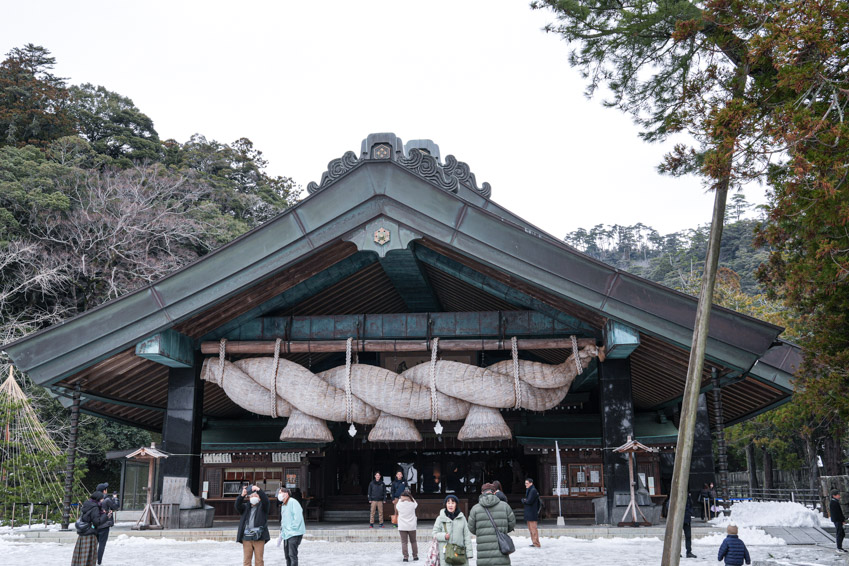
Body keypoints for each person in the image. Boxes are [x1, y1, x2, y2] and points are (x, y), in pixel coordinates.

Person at [468, 483, 515, 566]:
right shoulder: (505, 506)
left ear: (482, 492)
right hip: (501, 552)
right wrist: (502, 530)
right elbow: (511, 524)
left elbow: (471, 527)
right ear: (494, 492)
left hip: (483, 554)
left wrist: (481, 532)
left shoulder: (475, 509)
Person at [433, 494, 472, 566]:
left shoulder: (462, 518)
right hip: (445, 554)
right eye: (448, 503)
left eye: (453, 503)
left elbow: (467, 536)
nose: (450, 505)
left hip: (459, 553)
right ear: (445, 504)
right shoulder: (440, 518)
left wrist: (469, 553)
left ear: (456, 504)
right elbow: (434, 534)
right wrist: (444, 536)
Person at [236, 484, 270, 566]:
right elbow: (237, 505)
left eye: (256, 496)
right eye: (251, 496)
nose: (253, 497)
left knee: (259, 561)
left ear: (259, 498)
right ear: (249, 498)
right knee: (246, 561)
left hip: (259, 537)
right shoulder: (245, 507)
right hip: (246, 537)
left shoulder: (263, 507)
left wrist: (259, 490)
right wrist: (242, 495)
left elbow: (266, 501)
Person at [71, 491, 108, 566]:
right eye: (102, 499)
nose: (103, 500)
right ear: (98, 499)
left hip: (82, 534)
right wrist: (106, 516)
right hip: (90, 534)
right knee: (89, 555)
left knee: (80, 554)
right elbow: (97, 522)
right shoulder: (95, 508)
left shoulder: (86, 505)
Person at [277, 487, 305, 566]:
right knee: (287, 555)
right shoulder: (283, 504)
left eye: (280, 492)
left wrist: (292, 528)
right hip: (286, 533)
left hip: (294, 532)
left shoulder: (293, 502)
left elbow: (298, 517)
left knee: (292, 555)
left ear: (286, 494)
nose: (279, 494)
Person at [94, 482, 118, 565]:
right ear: (104, 491)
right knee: (102, 544)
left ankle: (92, 560)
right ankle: (99, 562)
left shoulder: (93, 500)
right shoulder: (107, 499)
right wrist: (115, 498)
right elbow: (116, 507)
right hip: (104, 525)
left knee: (94, 544)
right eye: (106, 489)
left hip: (95, 525)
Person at [396, 489, 419, 562]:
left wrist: (401, 499)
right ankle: (415, 556)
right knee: (413, 541)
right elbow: (416, 503)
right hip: (411, 525)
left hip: (402, 525)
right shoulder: (412, 504)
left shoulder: (399, 504)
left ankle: (405, 557)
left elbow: (397, 505)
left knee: (404, 542)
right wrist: (411, 497)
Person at [520, 477, 541, 548]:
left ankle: (536, 543)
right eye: (525, 483)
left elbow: (529, 501)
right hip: (530, 512)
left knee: (533, 528)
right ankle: (534, 542)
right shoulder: (530, 490)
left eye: (527, 483)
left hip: (532, 512)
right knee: (531, 529)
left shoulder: (533, 490)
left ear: (531, 483)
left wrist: (523, 500)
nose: (525, 485)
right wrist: (525, 500)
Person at [683, 490, 696, 558]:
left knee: (688, 536)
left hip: (686, 518)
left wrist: (689, 512)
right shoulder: (675, 494)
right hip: (679, 519)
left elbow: (691, 505)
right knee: (677, 536)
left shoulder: (687, 496)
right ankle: (677, 551)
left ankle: (689, 551)